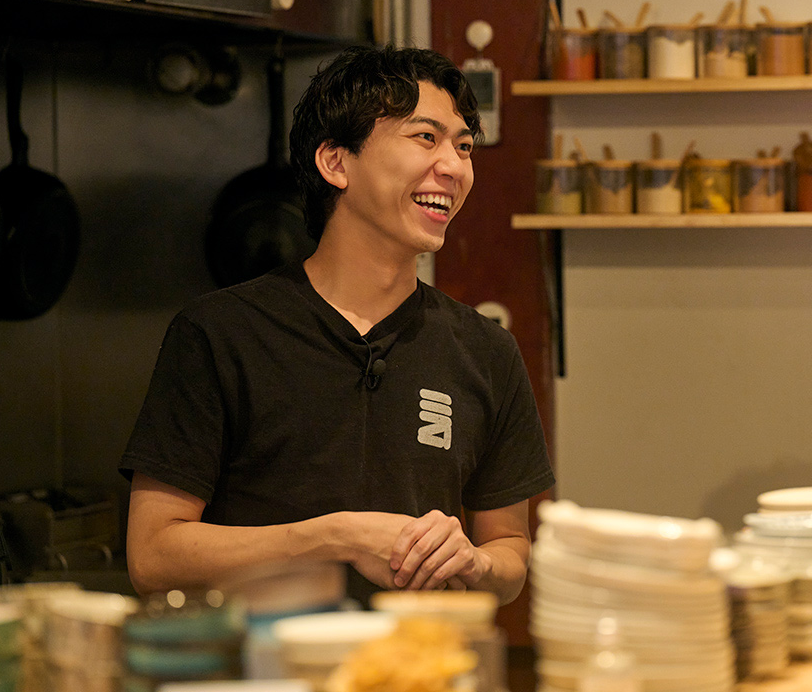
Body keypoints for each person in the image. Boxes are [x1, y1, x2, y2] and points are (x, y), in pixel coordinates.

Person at [119, 44, 555, 606]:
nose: (453, 166)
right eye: (426, 137)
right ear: (336, 162)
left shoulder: (486, 351)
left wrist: (474, 561)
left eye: (464, 146)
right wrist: (337, 538)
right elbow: (153, 558)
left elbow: (511, 553)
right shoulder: (219, 333)